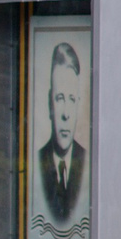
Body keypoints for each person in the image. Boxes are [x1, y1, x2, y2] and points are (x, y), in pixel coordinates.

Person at [40, 41, 87, 228]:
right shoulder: (34, 161)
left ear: (78, 105)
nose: (66, 113)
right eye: (60, 99)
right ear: (50, 104)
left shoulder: (88, 161)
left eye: (71, 99)